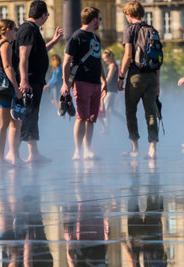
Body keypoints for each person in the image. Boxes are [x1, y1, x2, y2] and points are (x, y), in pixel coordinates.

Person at [13, 0, 63, 163]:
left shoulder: (32, 30)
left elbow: (37, 53)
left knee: (32, 115)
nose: (47, 17)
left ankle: (33, 153)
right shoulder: (28, 30)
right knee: (28, 116)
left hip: (35, 80)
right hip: (30, 81)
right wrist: (24, 80)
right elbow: (23, 57)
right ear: (43, 15)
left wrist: (53, 42)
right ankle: (14, 154)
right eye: (47, 14)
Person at [61, 7, 107, 161]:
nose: (100, 22)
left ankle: (88, 149)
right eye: (100, 19)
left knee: (92, 118)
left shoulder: (96, 38)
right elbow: (66, 62)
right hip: (81, 82)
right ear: (94, 19)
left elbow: (98, 60)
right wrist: (65, 83)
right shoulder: (77, 37)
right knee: (81, 117)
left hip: (95, 83)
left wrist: (104, 80)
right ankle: (78, 151)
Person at [118, 0, 160, 159]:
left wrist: (121, 76)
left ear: (129, 14)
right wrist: (158, 83)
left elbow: (128, 55)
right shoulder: (152, 30)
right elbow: (157, 59)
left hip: (135, 76)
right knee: (151, 112)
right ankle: (152, 149)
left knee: (130, 111)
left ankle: (135, 147)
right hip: (151, 76)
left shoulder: (129, 29)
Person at [0, 19, 22, 168]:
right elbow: (7, 67)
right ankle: (0, 159)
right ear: (7, 30)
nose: (16, 31)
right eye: (15, 29)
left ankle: (7, 157)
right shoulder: (5, 45)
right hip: (5, 89)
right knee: (2, 125)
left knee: (9, 123)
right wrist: (16, 87)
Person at [99, 49, 123, 133]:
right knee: (111, 110)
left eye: (105, 58)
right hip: (111, 90)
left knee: (106, 109)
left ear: (110, 56)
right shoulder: (110, 65)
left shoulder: (112, 65)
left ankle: (106, 128)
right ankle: (124, 122)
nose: (104, 60)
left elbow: (108, 78)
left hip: (110, 90)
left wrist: (103, 86)